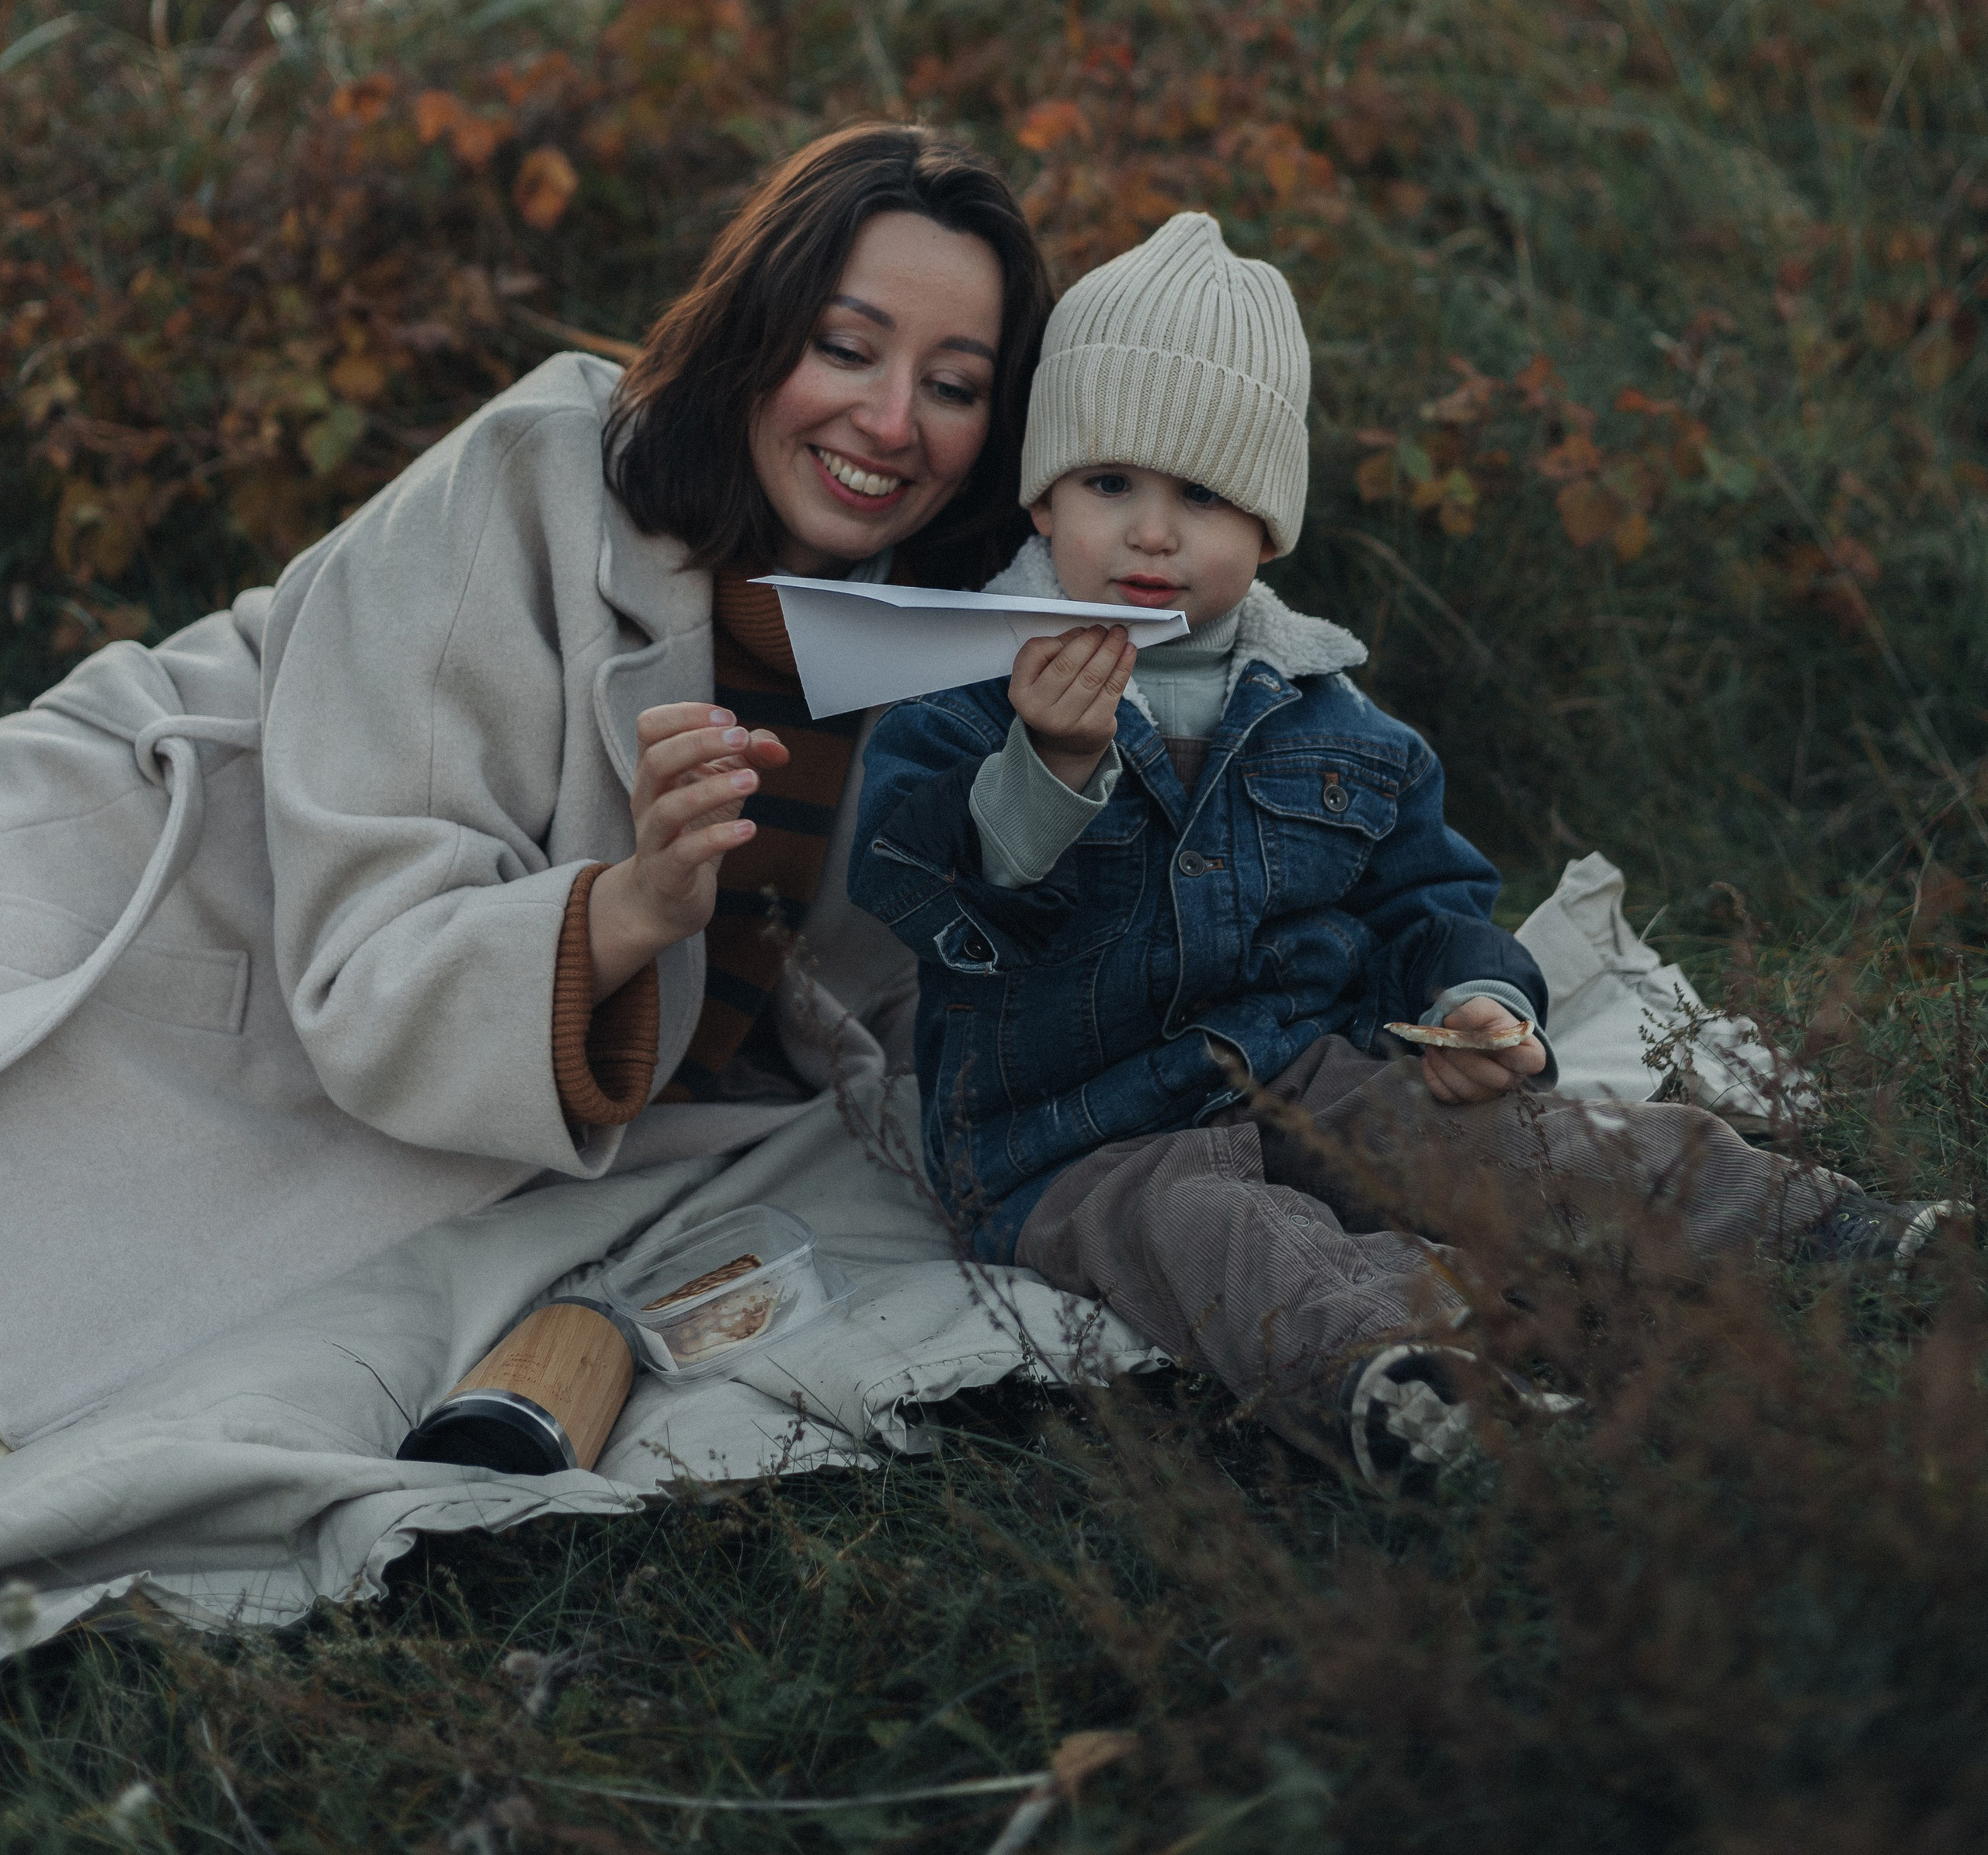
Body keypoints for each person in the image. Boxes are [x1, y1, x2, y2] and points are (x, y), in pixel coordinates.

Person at [851, 214, 1960, 1486]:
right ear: (1045, 493)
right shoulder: (961, 696)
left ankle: (1824, 1232)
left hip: (1304, 1069)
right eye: (1111, 484)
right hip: (1071, 1133)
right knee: (1211, 1230)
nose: (1152, 532)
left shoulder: (1337, 724)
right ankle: (1403, 1380)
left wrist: (1479, 997)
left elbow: (1429, 897)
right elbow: (926, 895)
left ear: (1267, 527)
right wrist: (1044, 767)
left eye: (1201, 494)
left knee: (1527, 1142)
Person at [0, 123, 1051, 1450]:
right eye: (844, 349)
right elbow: (374, 968)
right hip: (197, 915)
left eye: (952, 384)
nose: (890, 423)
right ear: (756, 330)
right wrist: (638, 898)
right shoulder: (535, 477)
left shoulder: (944, 640)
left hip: (517, 1089)